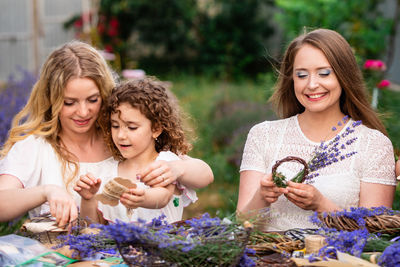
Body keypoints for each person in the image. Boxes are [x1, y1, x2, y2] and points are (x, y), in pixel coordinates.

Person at [0, 41, 213, 228]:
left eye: (92, 100)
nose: (83, 112)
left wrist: (179, 168)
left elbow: (198, 171)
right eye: (69, 102)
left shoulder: (123, 140)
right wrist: (46, 191)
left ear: (104, 95)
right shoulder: (35, 148)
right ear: (51, 100)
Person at [237, 28, 397, 231]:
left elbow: (375, 234)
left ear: (343, 75)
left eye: (324, 73)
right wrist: (262, 196)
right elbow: (242, 224)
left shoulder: (374, 144)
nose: (312, 84)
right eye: (302, 75)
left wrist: (321, 205)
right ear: (292, 79)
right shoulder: (263, 135)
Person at [75, 78, 197, 224]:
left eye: (132, 127)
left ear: (156, 129)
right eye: (115, 126)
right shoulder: (107, 173)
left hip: (162, 245)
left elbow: (163, 196)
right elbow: (92, 228)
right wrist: (88, 199)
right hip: (119, 247)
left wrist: (143, 198)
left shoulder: (164, 162)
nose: (120, 135)